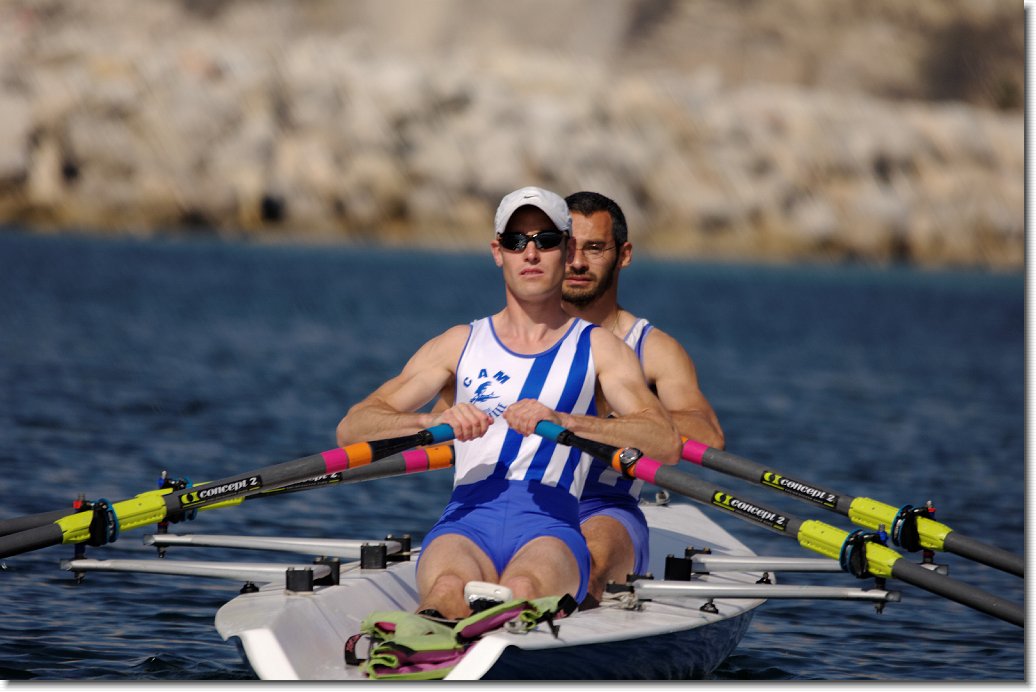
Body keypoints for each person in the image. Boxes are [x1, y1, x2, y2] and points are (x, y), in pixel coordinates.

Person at [336, 186, 681, 620]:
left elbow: (665, 441)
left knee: (523, 589)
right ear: (498, 252)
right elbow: (353, 428)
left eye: (546, 240)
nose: (530, 253)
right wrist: (433, 420)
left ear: (566, 250)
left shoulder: (601, 348)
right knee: (445, 589)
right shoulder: (457, 343)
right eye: (517, 242)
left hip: (550, 527)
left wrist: (566, 421)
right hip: (464, 520)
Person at [562, 190, 725, 606]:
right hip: (519, 499)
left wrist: (615, 423)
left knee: (585, 569)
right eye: (567, 246)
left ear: (624, 255)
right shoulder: (515, 338)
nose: (577, 262)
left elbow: (707, 435)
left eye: (594, 248)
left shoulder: (653, 349)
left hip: (603, 507)